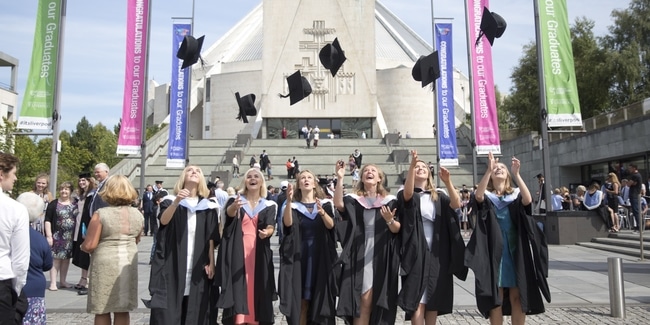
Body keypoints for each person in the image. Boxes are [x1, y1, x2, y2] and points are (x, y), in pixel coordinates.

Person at [465, 152, 550, 324]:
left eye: (502, 168)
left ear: (508, 175)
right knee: (496, 295)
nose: (499, 169)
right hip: (493, 251)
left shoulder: (515, 195)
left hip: (515, 249)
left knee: (517, 295)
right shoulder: (488, 196)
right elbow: (479, 197)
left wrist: (517, 174)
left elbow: (527, 200)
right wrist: (488, 169)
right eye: (496, 168)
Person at [396, 150, 467, 324]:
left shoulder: (439, 195)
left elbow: (457, 204)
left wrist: (448, 182)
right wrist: (412, 165)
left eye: (423, 167)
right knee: (416, 299)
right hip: (415, 250)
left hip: (437, 251)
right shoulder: (406, 193)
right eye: (417, 167)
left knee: (433, 298)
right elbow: (407, 195)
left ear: (429, 173)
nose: (420, 168)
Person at [147, 166, 220, 325]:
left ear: (201, 179)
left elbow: (211, 238)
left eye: (198, 171)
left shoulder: (208, 206)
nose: (194, 171)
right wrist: (177, 201)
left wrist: (212, 263)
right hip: (173, 264)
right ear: (183, 177)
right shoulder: (170, 201)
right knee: (169, 314)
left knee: (195, 312)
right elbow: (164, 221)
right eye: (189, 170)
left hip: (197, 267)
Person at [333, 160, 400, 324]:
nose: (369, 172)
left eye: (373, 171)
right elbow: (338, 204)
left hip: (380, 254)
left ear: (379, 179)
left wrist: (390, 220)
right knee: (361, 299)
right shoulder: (355, 200)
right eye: (366, 171)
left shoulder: (389, 201)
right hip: (360, 252)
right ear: (362, 178)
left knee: (374, 299)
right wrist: (340, 178)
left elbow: (397, 229)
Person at [216, 168, 277, 325]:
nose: (252, 178)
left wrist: (268, 232)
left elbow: (271, 225)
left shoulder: (268, 205)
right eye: (249, 176)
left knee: (257, 285)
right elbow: (229, 217)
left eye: (256, 176)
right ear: (244, 181)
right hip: (238, 251)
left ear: (261, 182)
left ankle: (254, 319)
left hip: (258, 252)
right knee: (239, 285)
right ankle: (239, 319)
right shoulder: (235, 201)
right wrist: (234, 207)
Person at [81, 175, 144, 325]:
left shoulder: (101, 214)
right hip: (127, 262)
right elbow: (137, 239)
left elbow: (90, 245)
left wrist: (82, 246)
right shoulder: (138, 215)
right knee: (122, 308)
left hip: (105, 262)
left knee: (103, 308)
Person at [278, 169, 338, 325]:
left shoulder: (325, 204)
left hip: (320, 256)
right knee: (302, 302)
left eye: (309, 177)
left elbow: (331, 226)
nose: (306, 179)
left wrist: (322, 213)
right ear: (298, 184)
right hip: (301, 256)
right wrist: (289, 202)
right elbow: (288, 225)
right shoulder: (293, 205)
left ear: (314, 182)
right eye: (302, 178)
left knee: (320, 299)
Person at [17, 192, 51, 325]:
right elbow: (47, 264)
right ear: (38, 215)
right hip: (34, 288)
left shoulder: (9, 234)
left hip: (12, 287)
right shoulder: (39, 239)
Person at [44, 181, 78, 291]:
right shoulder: (54, 204)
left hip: (70, 237)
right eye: (62, 189)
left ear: (70, 191)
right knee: (56, 259)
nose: (64, 191)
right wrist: (49, 235)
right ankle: (53, 283)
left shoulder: (75, 203)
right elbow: (48, 220)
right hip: (57, 236)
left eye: (66, 189)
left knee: (66, 259)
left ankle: (63, 281)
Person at [71, 172, 96, 294]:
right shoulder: (79, 195)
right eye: (80, 181)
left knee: (87, 254)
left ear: (89, 181)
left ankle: (87, 280)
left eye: (84, 181)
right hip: (78, 226)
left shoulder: (93, 194)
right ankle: (83, 277)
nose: (81, 183)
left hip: (86, 227)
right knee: (81, 254)